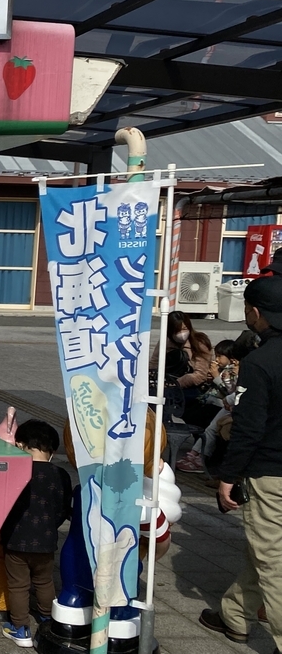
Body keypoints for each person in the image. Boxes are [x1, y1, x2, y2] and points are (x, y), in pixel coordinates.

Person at [198, 275, 282, 651]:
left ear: (256, 311)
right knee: (264, 550)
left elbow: (248, 428)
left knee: (274, 563)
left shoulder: (261, 361)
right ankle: (234, 614)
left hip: (271, 474)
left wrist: (227, 477)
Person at [0, 419, 72, 648]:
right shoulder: (61, 475)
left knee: (18, 585)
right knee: (44, 580)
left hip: (16, 540)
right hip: (46, 540)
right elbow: (63, 507)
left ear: (20, 445)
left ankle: (20, 628)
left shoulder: (14, 471)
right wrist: (50, 525)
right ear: (53, 450)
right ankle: (48, 617)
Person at [176, 339, 242, 474]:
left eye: (219, 356)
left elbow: (230, 391)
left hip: (225, 404)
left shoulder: (233, 372)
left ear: (232, 359)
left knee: (212, 427)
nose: (216, 359)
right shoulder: (225, 370)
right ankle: (194, 453)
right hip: (220, 403)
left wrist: (218, 377)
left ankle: (201, 457)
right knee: (210, 428)